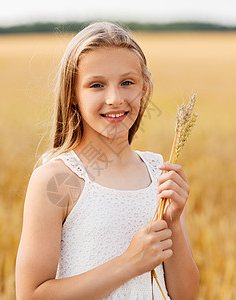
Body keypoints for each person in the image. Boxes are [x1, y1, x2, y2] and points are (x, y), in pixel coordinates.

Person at [15, 21, 199, 300]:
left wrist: (172, 222)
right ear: (73, 96)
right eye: (96, 85)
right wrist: (129, 263)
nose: (115, 98)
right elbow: (31, 295)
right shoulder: (57, 179)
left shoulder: (159, 173)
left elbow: (185, 295)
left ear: (144, 88)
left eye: (127, 83)